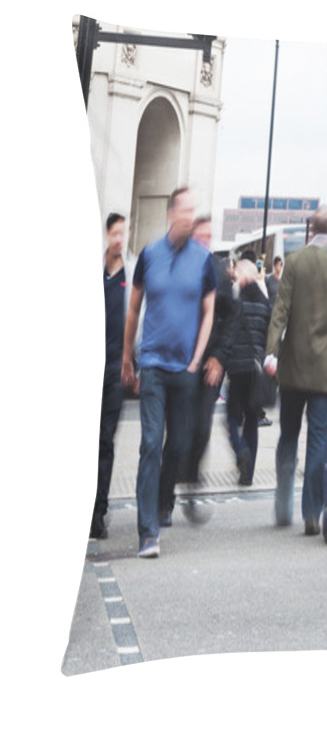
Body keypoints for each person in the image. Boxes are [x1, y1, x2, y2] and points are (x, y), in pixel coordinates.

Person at [122, 187, 216, 559]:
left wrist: (196, 358)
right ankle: (148, 532)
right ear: (170, 214)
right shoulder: (149, 255)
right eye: (185, 210)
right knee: (149, 445)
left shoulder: (203, 261)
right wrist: (128, 356)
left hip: (185, 370)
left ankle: (162, 502)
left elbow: (209, 311)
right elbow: (134, 307)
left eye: (194, 210)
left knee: (176, 446)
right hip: (155, 365)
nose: (190, 217)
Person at [264, 208, 327, 536]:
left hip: (291, 368)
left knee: (288, 435)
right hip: (322, 371)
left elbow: (281, 310)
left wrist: (271, 351)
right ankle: (312, 511)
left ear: (310, 232)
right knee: (318, 440)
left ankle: (282, 503)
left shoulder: (294, 261)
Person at [158, 216, 237, 523]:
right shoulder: (179, 266)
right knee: (176, 433)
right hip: (179, 362)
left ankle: (189, 481)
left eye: (209, 237)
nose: (205, 242)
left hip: (207, 367)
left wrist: (218, 356)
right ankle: (165, 500)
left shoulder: (217, 271)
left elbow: (231, 317)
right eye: (200, 236)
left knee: (202, 428)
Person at [90, 213, 135, 540]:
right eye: (115, 232)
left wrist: (133, 362)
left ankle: (98, 513)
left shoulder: (130, 274)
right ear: (107, 234)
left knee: (105, 442)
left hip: (115, 371)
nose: (120, 238)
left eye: (124, 232)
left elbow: (138, 320)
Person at [226, 258, 271, 486]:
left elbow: (229, 335)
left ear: (243, 277)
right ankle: (248, 476)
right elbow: (269, 337)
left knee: (232, 418)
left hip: (237, 369)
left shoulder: (236, 301)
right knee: (252, 420)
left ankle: (240, 449)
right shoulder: (265, 303)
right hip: (256, 370)